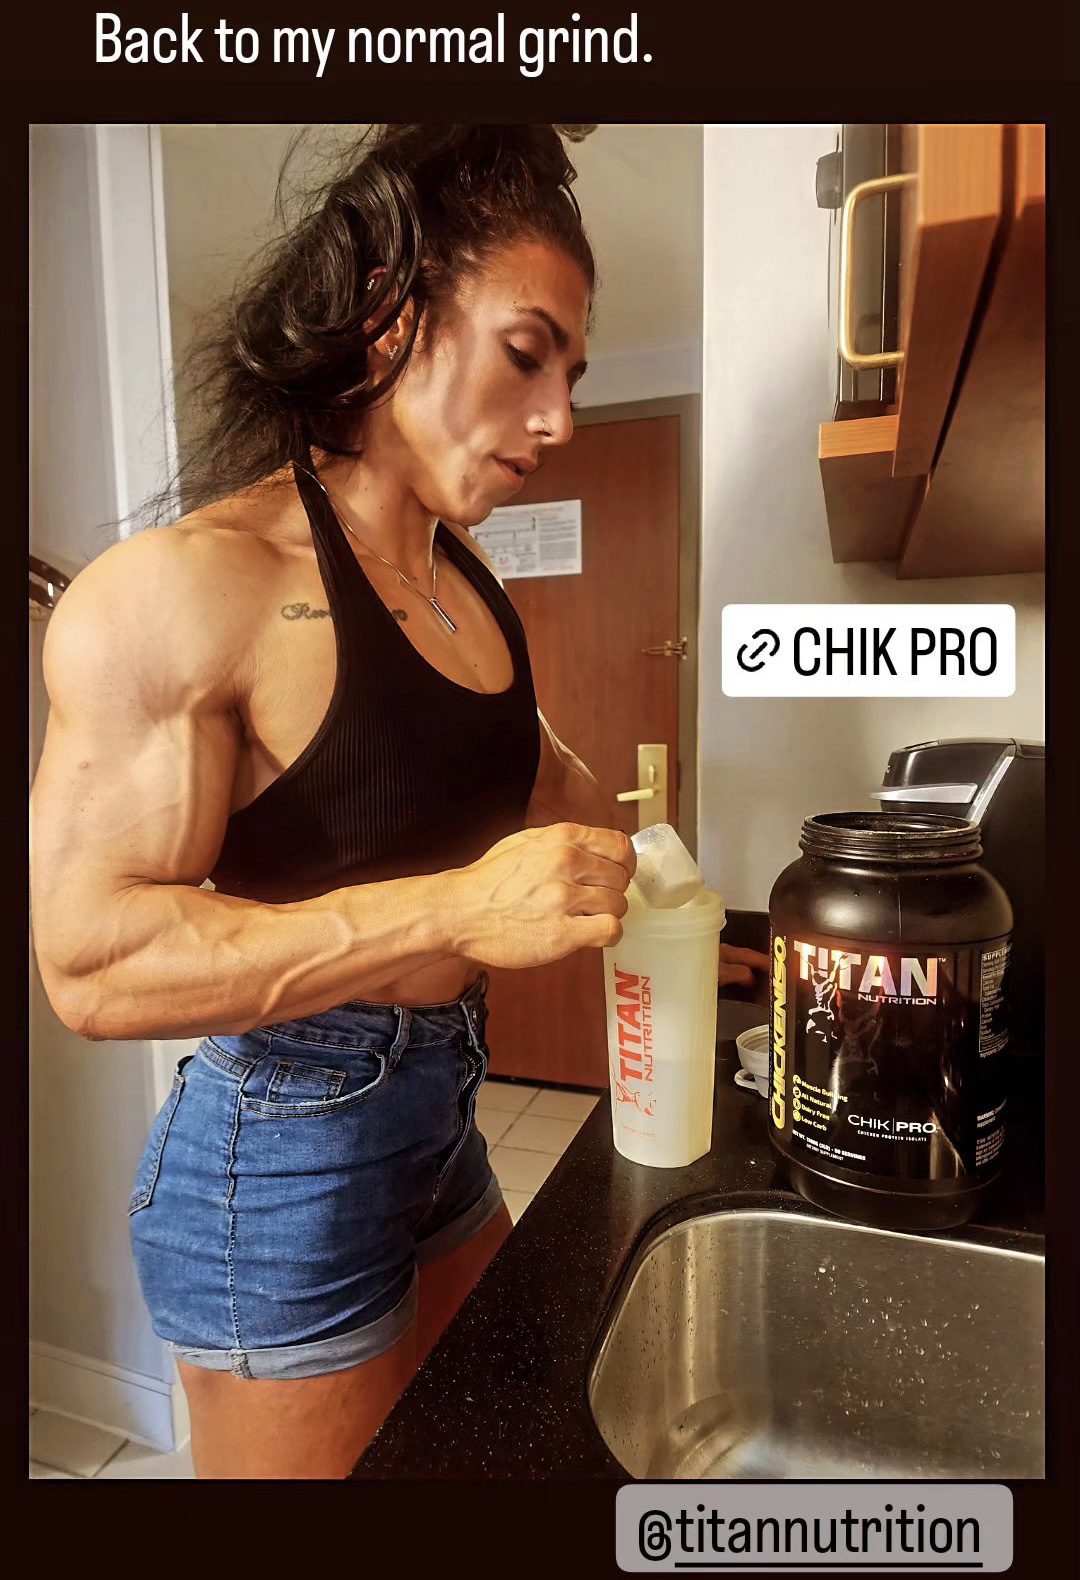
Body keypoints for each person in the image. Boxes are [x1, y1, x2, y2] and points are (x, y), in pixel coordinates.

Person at [29, 124, 768, 1479]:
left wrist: (681, 914)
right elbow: (92, 963)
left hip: (439, 1121)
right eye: (526, 353)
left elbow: (538, 780)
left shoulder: (462, 582)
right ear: (387, 317)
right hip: (279, 1162)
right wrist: (457, 908)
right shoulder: (186, 591)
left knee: (502, 1451)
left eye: (573, 375)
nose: (559, 420)